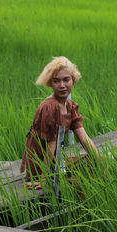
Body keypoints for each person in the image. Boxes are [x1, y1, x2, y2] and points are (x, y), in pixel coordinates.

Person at [21, 56, 99, 190]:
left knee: (93, 163)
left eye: (66, 80)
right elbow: (51, 144)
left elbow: (84, 138)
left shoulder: (70, 106)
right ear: (50, 83)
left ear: (73, 80)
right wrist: (44, 178)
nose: (62, 85)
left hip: (56, 159)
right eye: (56, 81)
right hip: (41, 163)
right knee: (79, 182)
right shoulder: (50, 107)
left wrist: (101, 163)